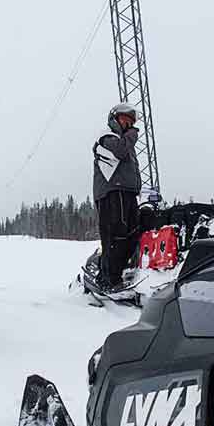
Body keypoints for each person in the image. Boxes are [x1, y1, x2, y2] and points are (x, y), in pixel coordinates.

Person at [92, 102, 142, 289]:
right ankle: (108, 279)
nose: (129, 124)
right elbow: (120, 152)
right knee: (115, 235)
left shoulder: (124, 140)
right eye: (125, 120)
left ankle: (118, 273)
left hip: (127, 192)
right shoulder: (107, 138)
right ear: (115, 119)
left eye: (131, 121)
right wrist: (132, 134)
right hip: (112, 193)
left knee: (132, 235)